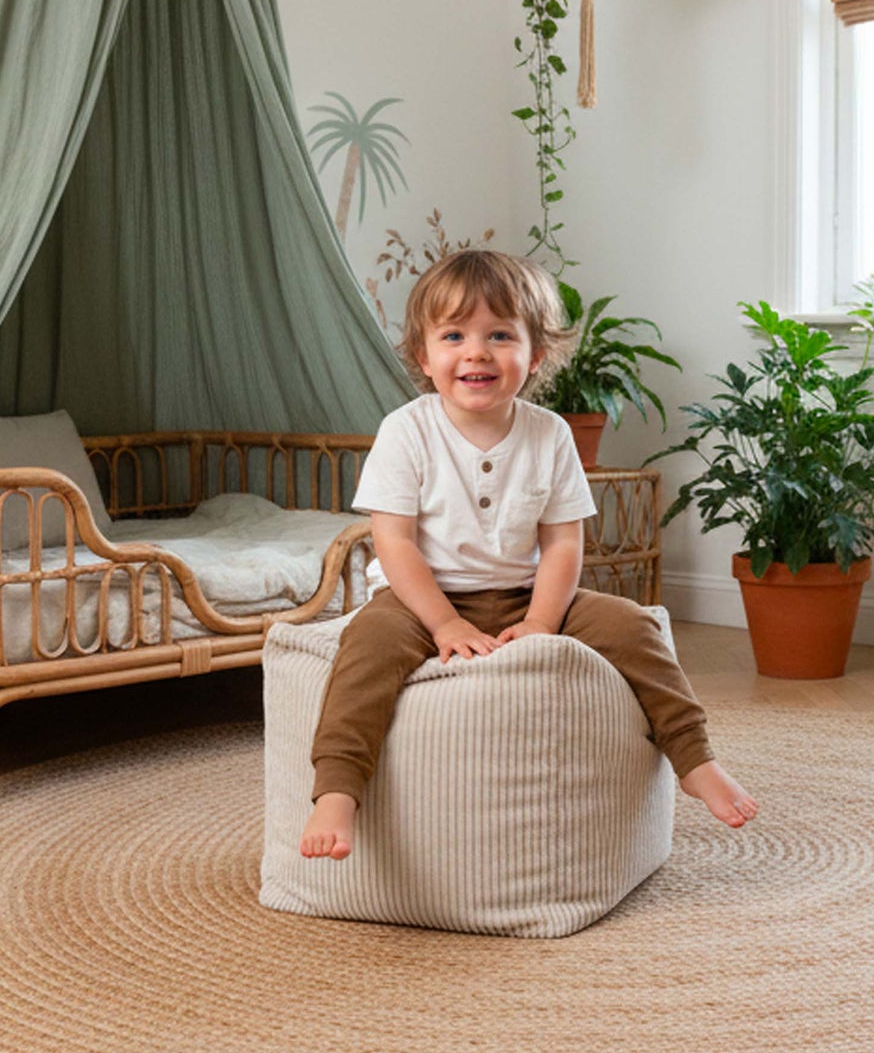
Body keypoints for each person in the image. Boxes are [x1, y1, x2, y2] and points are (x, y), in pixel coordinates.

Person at [299, 249, 758, 860]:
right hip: (421, 601)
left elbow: (563, 542)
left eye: (500, 335)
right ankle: (337, 789)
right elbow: (395, 542)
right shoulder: (406, 431)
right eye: (454, 336)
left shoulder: (550, 433)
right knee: (367, 646)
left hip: (526, 595)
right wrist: (444, 623)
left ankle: (694, 759)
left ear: (535, 354)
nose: (477, 352)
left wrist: (542, 619)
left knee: (634, 625)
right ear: (424, 357)